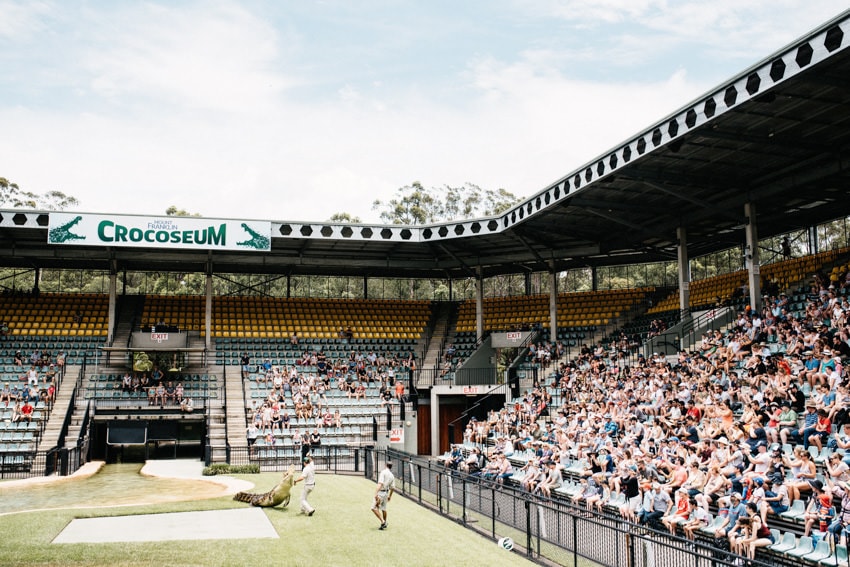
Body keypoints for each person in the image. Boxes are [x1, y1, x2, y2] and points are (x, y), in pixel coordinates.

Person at [372, 462, 395, 530]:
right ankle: (383, 524)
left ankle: (383, 522)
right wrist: (390, 496)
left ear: (385, 465)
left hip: (381, 493)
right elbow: (393, 487)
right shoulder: (392, 475)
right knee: (384, 509)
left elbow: (380, 483)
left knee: (373, 508)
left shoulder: (383, 472)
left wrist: (376, 493)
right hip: (386, 493)